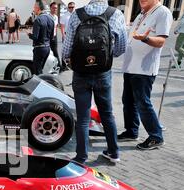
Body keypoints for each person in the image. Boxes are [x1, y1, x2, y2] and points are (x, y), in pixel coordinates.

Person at [62, 0, 127, 164]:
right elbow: (121, 47)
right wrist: (105, 57)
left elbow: (67, 48)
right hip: (103, 72)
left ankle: (81, 157)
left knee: (83, 118)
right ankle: (113, 152)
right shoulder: (116, 14)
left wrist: (73, 62)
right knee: (107, 114)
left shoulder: (77, 14)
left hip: (81, 72)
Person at [118, 0, 173, 150]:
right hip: (130, 67)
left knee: (143, 103)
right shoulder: (142, 13)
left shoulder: (163, 12)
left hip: (144, 69)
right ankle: (131, 131)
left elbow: (161, 41)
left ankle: (156, 137)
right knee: (128, 101)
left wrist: (146, 38)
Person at [27, 0, 54, 75]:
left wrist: (29, 34)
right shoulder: (51, 19)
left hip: (39, 48)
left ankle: (40, 85)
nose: (33, 9)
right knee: (40, 70)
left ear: (38, 8)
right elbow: (52, 36)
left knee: (37, 72)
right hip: (47, 48)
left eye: (34, 8)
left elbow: (35, 37)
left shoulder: (38, 20)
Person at [60, 2, 75, 71]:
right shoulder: (65, 16)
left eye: (72, 7)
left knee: (73, 51)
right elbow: (62, 27)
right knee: (65, 51)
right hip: (66, 35)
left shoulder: (76, 15)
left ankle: (72, 64)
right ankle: (63, 66)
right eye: (70, 7)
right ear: (68, 7)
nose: (71, 8)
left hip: (74, 36)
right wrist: (63, 35)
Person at [48, 2, 61, 69]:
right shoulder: (47, 16)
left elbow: (55, 27)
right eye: (53, 8)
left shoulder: (56, 17)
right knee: (47, 52)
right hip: (48, 37)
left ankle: (59, 66)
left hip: (54, 37)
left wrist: (54, 35)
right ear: (50, 8)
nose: (55, 9)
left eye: (56, 8)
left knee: (55, 52)